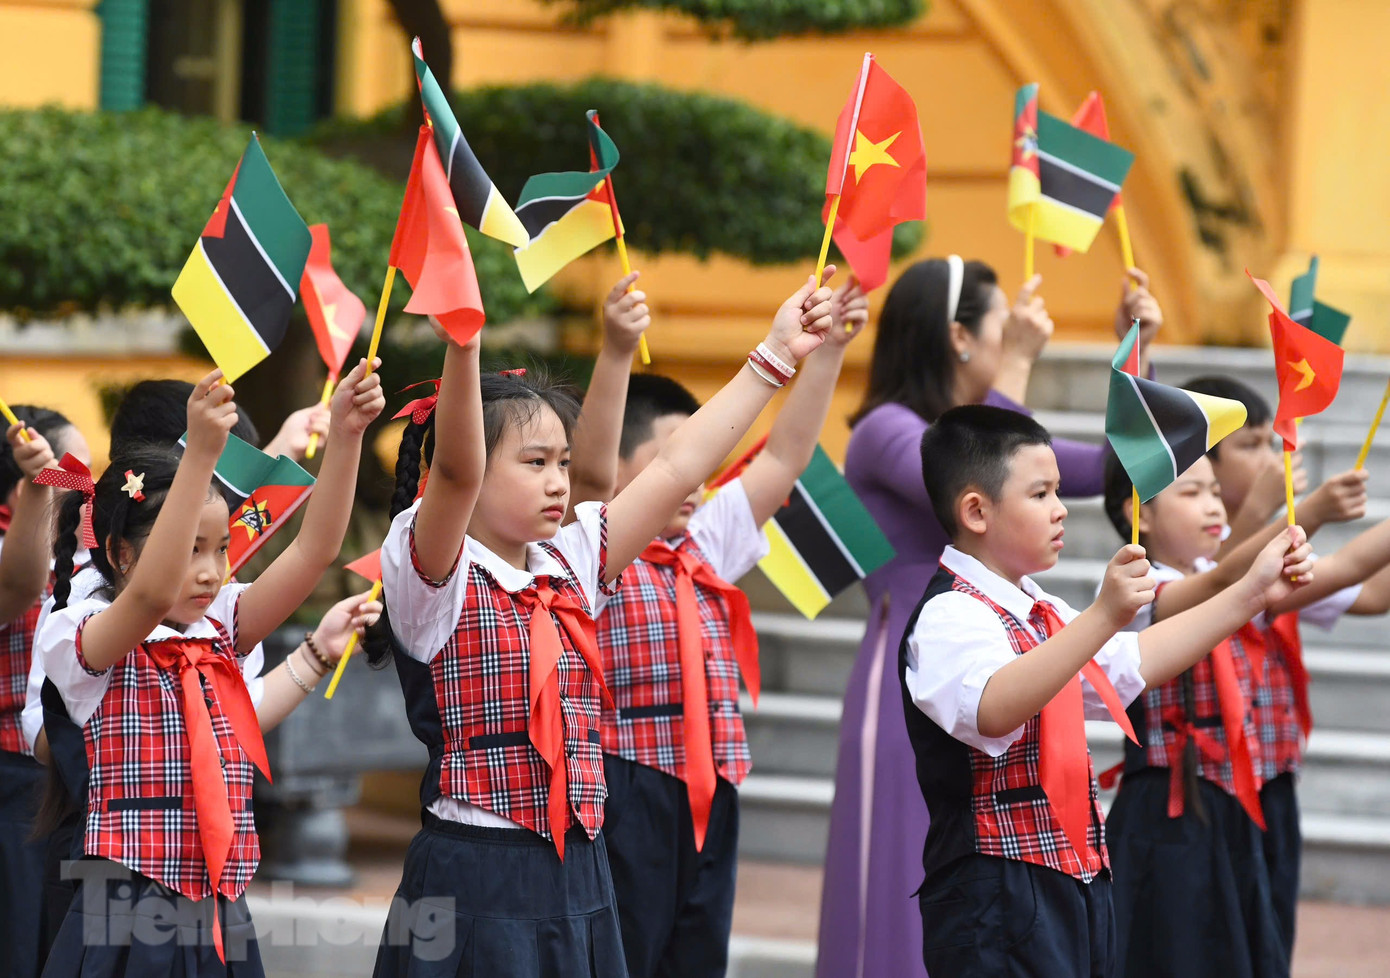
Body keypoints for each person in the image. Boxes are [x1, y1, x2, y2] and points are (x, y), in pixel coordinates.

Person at [368, 270, 840, 978]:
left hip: (581, 867)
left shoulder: (572, 555)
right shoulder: (433, 569)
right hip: (478, 872)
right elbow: (458, 474)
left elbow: (679, 465)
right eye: (534, 463)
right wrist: (463, 348)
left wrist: (772, 355)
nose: (559, 481)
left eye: (563, 461)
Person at [819, 256, 1163, 978]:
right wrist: (1022, 368)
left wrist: (1138, 353)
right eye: (1004, 324)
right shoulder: (885, 430)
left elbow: (1112, 466)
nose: (1019, 333)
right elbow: (971, 488)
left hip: (1001, 656)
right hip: (920, 664)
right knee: (906, 860)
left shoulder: (980, 445)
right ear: (959, 337)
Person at [900, 404, 1312, 977]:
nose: (1061, 510)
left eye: (1058, 492)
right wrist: (1103, 614)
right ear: (976, 510)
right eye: (1041, 494)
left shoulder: (1039, 609)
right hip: (997, 888)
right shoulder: (950, 613)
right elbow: (993, 707)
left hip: (1073, 879)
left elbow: (1133, 661)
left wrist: (1253, 594)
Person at [564, 272, 867, 978]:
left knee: (696, 954)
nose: (697, 479)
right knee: (622, 954)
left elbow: (786, 457)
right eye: (678, 458)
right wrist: (615, 351)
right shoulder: (593, 551)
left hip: (713, 785)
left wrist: (823, 355)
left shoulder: (707, 538)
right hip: (623, 781)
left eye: (703, 459)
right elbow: (587, 471)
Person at [36, 362, 383, 976]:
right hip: (127, 905)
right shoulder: (84, 632)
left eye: (220, 548)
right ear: (118, 551)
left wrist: (349, 438)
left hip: (220, 905)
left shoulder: (219, 623)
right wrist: (198, 455)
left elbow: (314, 549)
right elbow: (146, 596)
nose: (211, 570)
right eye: (192, 548)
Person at [1184, 375, 1390, 958]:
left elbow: (1365, 588)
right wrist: (1292, 509)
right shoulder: (1172, 556)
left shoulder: (1282, 551)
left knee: (1268, 941)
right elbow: (1222, 575)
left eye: (1272, 443)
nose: (1273, 458)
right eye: (1250, 445)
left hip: (1272, 775)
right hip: (1201, 788)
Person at [0, 409, 72, 978]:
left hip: (49, 779)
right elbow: (19, 584)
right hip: (12, 779)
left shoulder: (90, 552)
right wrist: (36, 488)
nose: (87, 482)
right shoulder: (26, 552)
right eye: (72, 468)